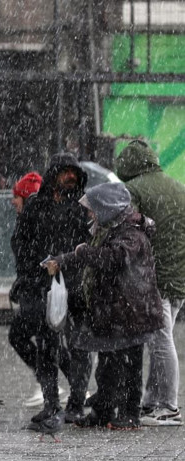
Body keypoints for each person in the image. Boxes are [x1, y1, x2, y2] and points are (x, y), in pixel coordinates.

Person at [44, 182, 164, 430]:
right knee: (108, 363)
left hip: (132, 313)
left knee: (129, 365)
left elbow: (113, 258)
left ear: (108, 209)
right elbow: (93, 254)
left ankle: (131, 413)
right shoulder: (111, 229)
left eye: (94, 209)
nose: (90, 214)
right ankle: (104, 410)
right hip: (115, 312)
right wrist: (63, 260)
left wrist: (83, 251)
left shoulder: (131, 233)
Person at [12, 153, 92, 425]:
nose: (70, 177)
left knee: (79, 346)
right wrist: (37, 269)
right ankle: (51, 404)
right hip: (44, 288)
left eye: (74, 172)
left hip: (78, 287)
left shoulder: (83, 207)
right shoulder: (36, 207)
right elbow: (20, 245)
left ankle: (77, 404)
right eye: (65, 172)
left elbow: (92, 246)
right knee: (47, 347)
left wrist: (70, 264)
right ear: (54, 175)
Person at [114, 140, 185, 426]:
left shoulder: (135, 189)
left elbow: (130, 229)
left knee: (159, 341)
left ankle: (168, 405)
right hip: (180, 275)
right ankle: (152, 401)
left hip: (156, 276)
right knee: (161, 337)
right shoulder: (177, 185)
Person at [7, 172, 47, 407]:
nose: (13, 201)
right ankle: (70, 385)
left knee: (21, 336)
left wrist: (26, 282)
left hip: (36, 290)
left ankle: (55, 384)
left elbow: (32, 258)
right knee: (46, 340)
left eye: (16, 196)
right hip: (35, 289)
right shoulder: (33, 214)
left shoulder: (32, 216)